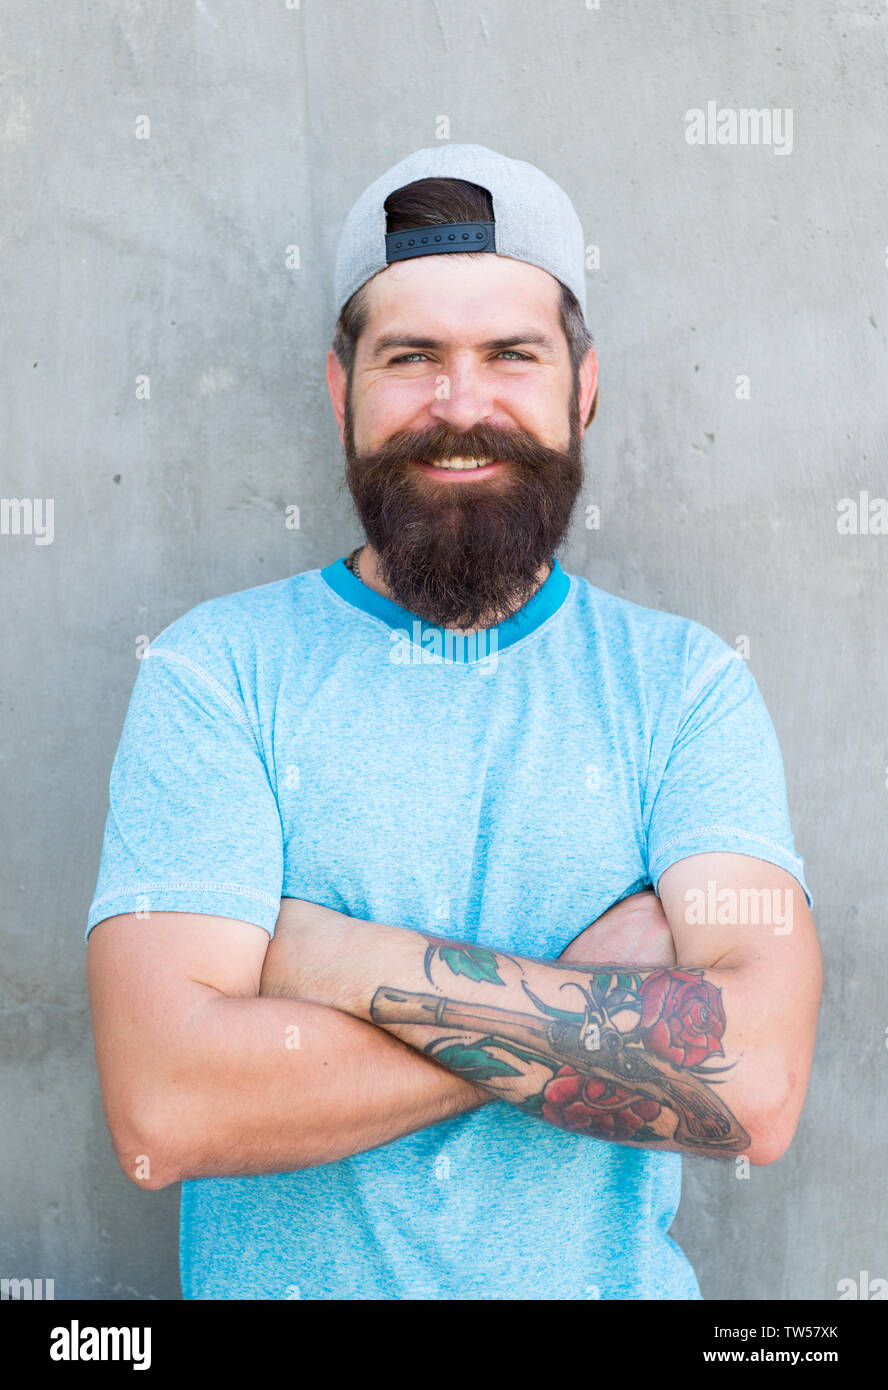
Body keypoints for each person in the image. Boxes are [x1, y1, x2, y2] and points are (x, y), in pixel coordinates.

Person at [86, 144, 822, 1301]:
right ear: (342, 392)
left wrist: (331, 959)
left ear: (582, 386)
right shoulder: (214, 675)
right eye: (412, 357)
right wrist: (583, 1002)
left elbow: (758, 1083)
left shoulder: (683, 688)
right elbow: (165, 1109)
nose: (460, 405)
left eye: (510, 356)